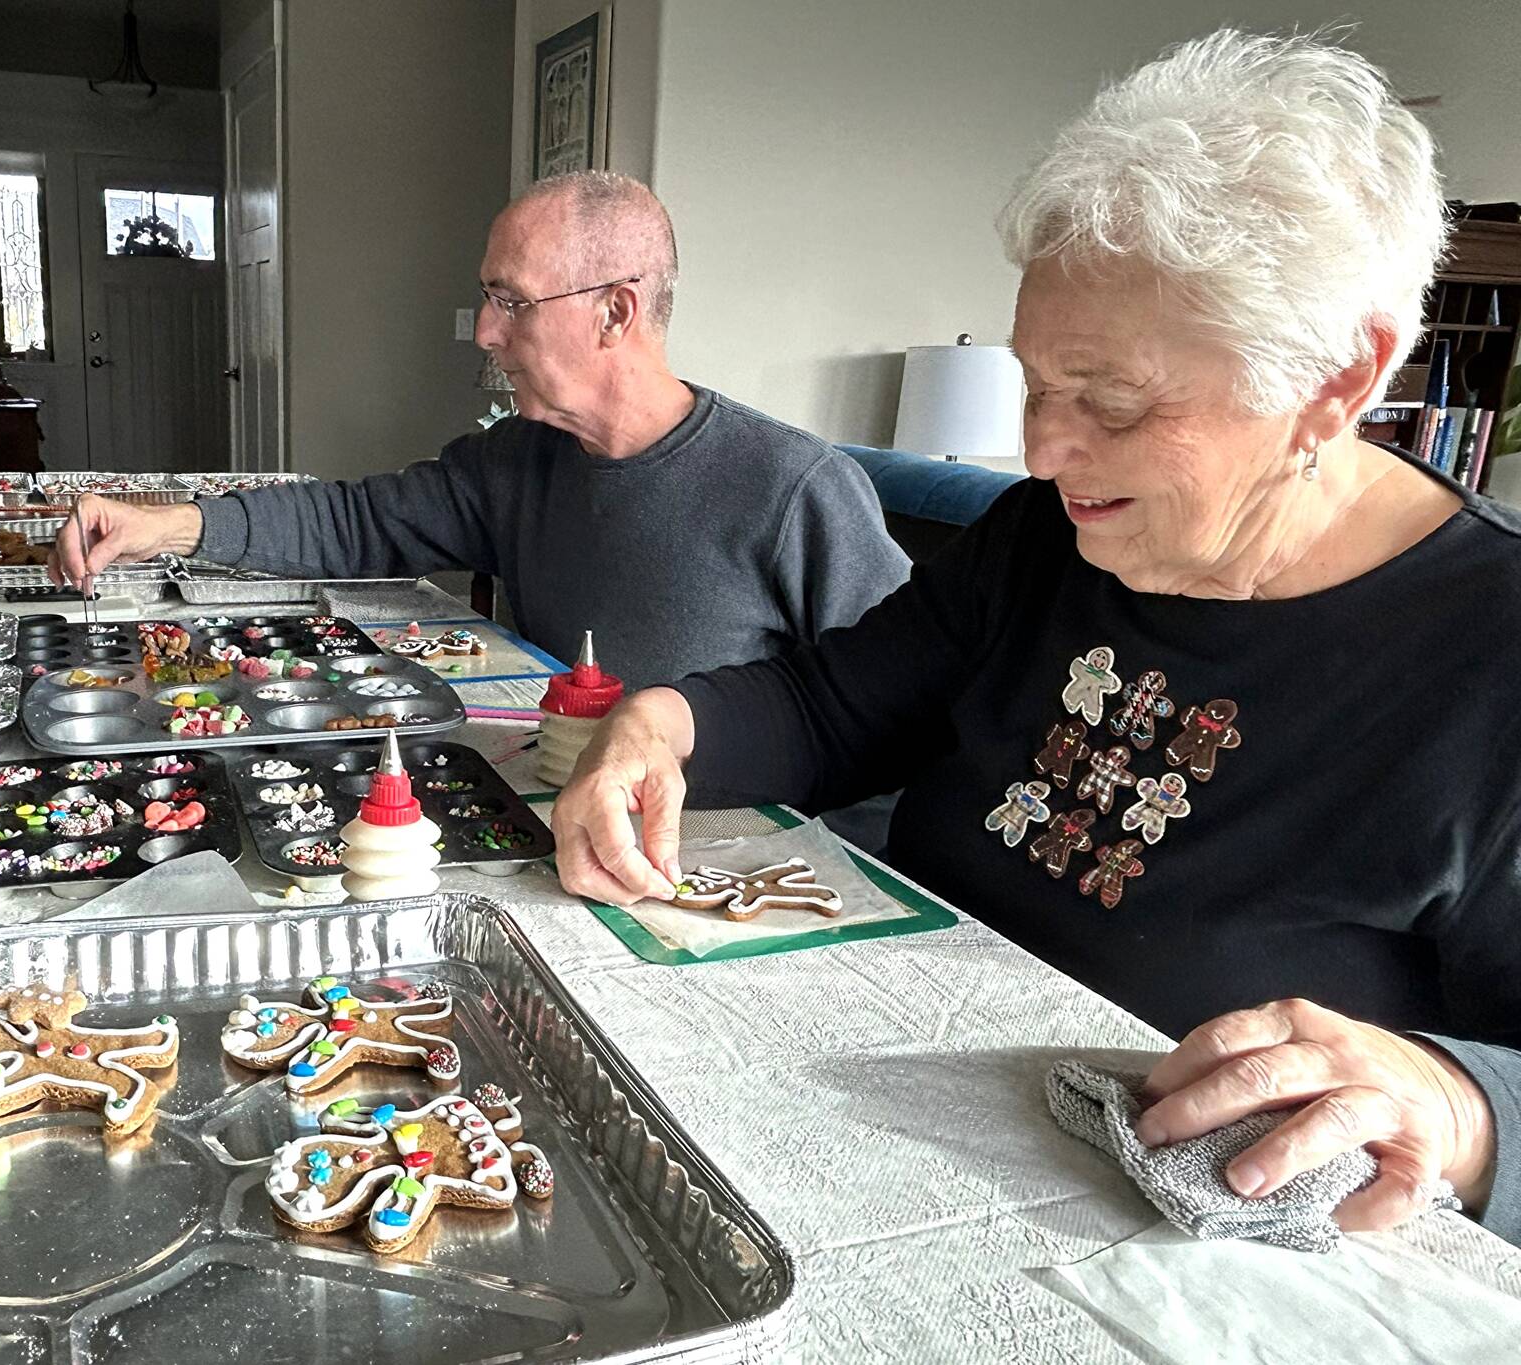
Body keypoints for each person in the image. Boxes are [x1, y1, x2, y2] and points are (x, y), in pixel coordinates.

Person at [552, 30, 1518, 1244]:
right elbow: (830, 709)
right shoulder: (1041, 536)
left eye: (1111, 402)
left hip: (1166, 1254)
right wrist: (661, 723)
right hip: (870, 1127)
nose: (1043, 450)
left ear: (1335, 378)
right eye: (1036, 383)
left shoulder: (1492, 652)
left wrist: (1454, 1103)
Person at [51, 171, 908, 689]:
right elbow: (359, 520)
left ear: (615, 313)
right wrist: (170, 525)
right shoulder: (518, 462)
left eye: (512, 302)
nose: (487, 333)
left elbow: (898, 711)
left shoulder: (795, 491)